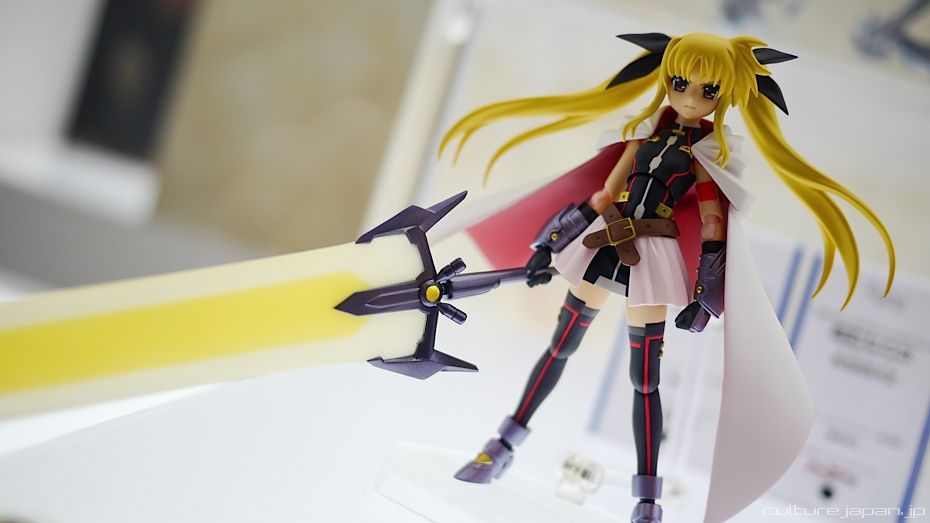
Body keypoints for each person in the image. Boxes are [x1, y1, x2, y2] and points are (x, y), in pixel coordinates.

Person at [439, 32, 896, 523]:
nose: (691, 97)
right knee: (559, 347)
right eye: (680, 83)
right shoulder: (644, 132)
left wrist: (706, 291)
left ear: (725, 96)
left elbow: (713, 223)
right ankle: (502, 446)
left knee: (644, 381)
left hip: (650, 257)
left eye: (708, 90)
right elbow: (603, 194)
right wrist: (549, 245)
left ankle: (647, 501)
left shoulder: (709, 153)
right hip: (603, 241)